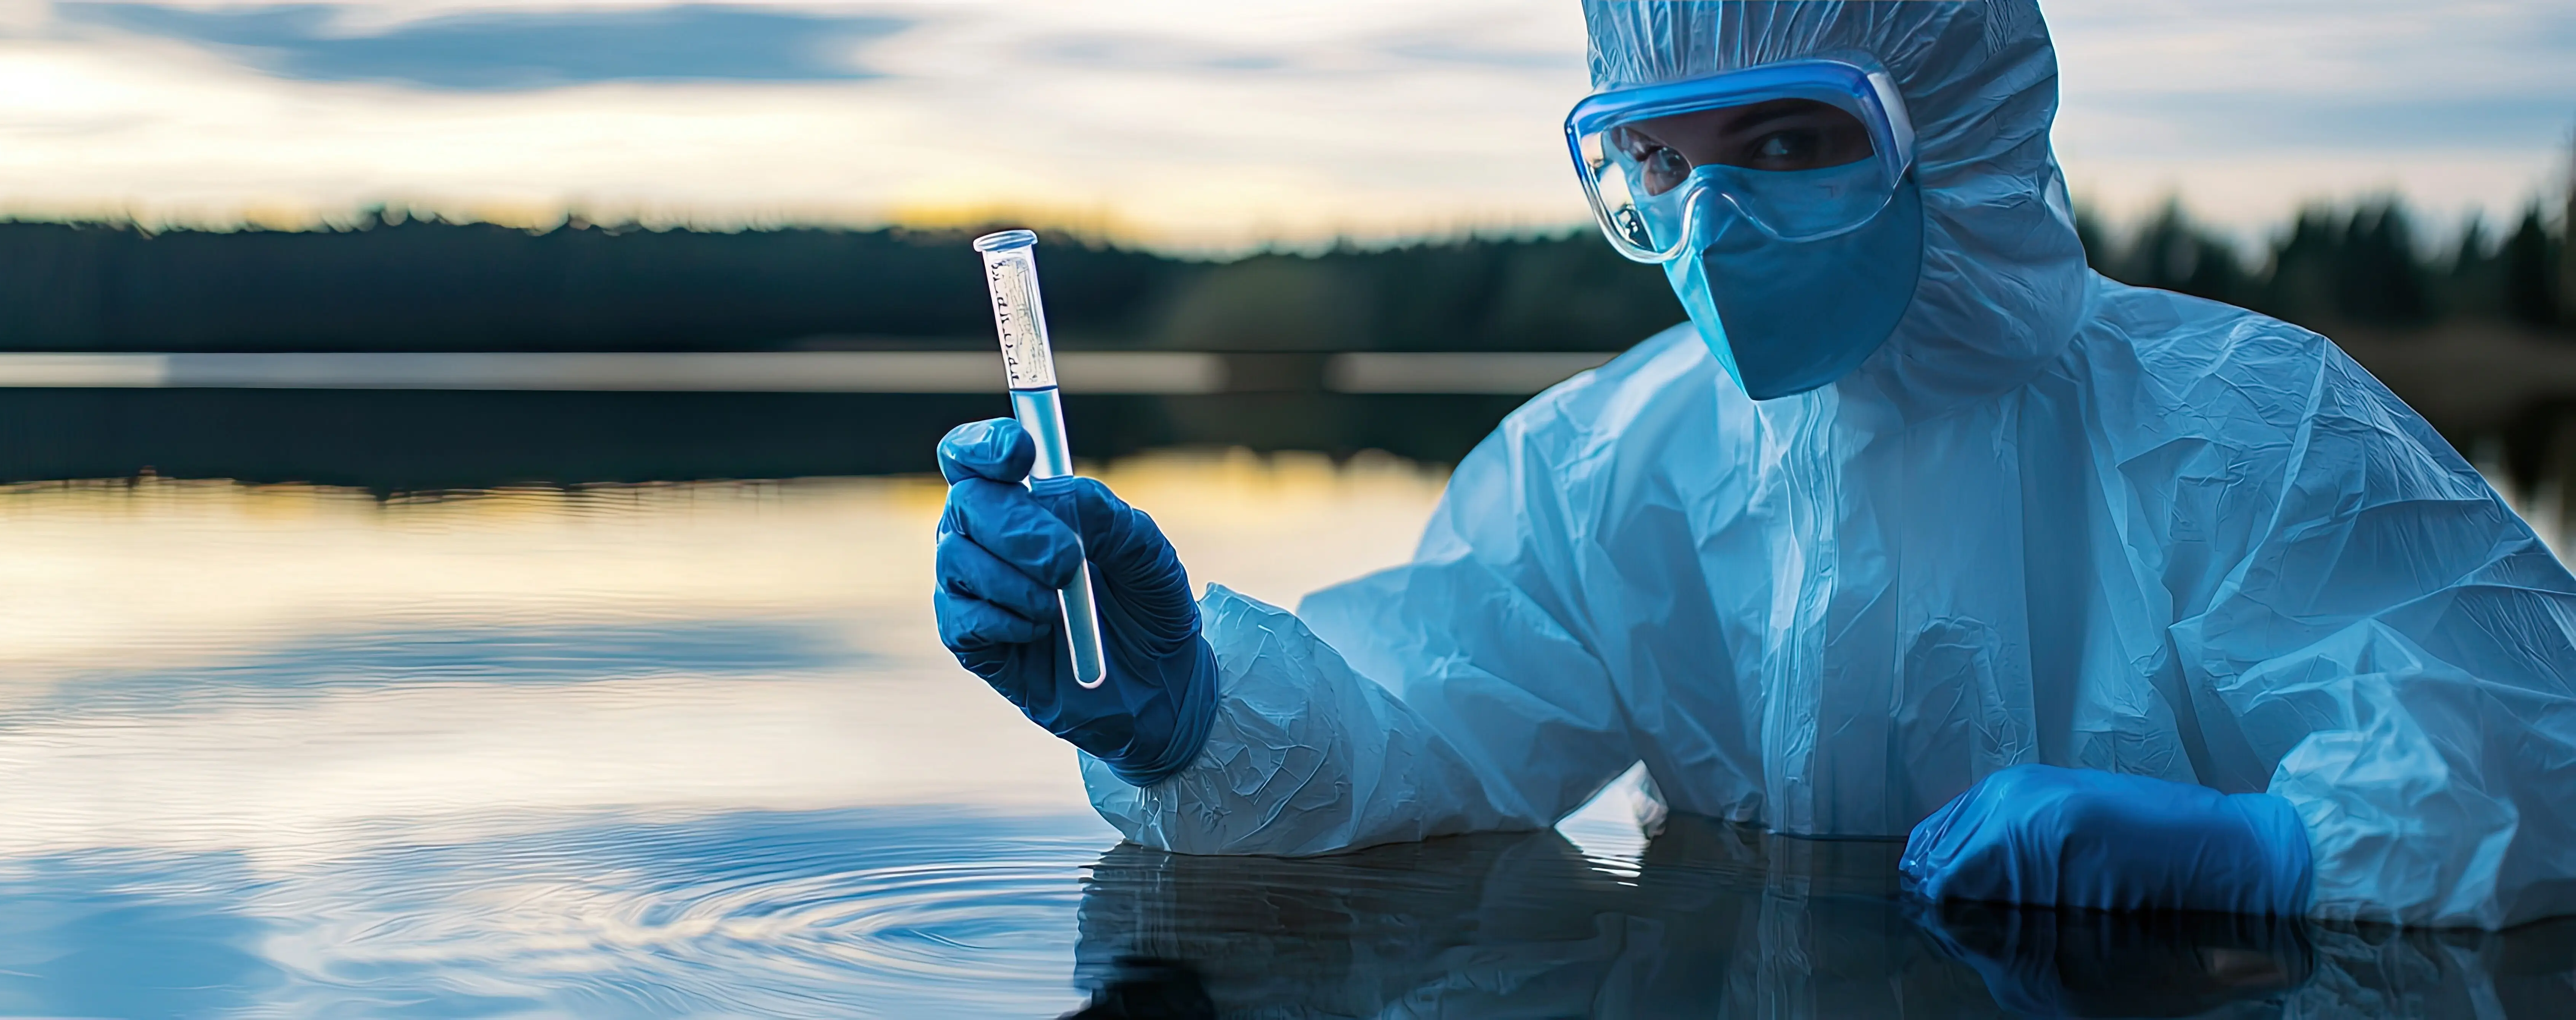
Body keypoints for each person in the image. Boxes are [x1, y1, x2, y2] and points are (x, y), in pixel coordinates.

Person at [932, 0, 2576, 929]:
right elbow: (1428, 736)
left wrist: (2265, 862)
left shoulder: (2245, 429)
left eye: (1788, 144)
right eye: (1658, 160)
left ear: (1955, 121)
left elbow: (2535, 760)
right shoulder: (1602, 470)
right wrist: (1199, 711)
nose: (1713, 229)